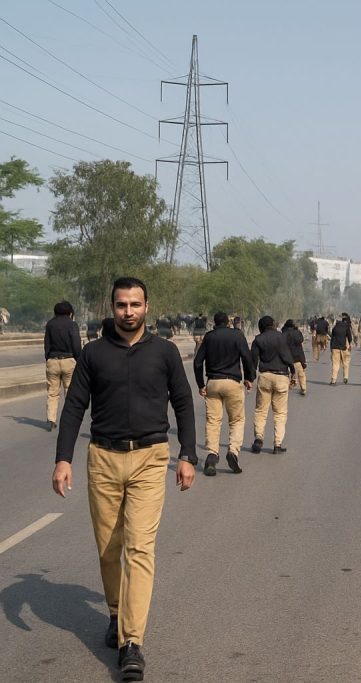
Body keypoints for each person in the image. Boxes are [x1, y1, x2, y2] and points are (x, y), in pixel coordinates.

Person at [51, 276, 197, 682]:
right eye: (121, 305)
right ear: (112, 308)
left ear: (147, 307)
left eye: (135, 305)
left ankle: (132, 641)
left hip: (151, 458)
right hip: (103, 459)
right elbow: (75, 407)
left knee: (139, 547)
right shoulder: (94, 354)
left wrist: (187, 454)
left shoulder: (165, 352)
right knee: (109, 547)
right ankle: (116, 614)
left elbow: (183, 403)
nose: (128, 312)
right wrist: (63, 459)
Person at [194, 311, 255, 476]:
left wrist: (200, 384)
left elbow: (198, 362)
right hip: (232, 382)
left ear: (214, 322)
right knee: (236, 420)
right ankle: (233, 451)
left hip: (213, 382)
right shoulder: (237, 335)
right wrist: (249, 378)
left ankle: (212, 455)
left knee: (213, 421)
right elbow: (247, 358)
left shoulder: (209, 337)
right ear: (228, 322)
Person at [250, 316, 295, 454]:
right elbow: (287, 356)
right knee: (280, 413)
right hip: (281, 376)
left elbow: (253, 361)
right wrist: (293, 371)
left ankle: (258, 437)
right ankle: (277, 444)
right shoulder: (281, 337)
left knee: (261, 411)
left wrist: (250, 378)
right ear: (273, 325)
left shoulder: (258, 339)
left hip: (265, 376)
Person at [44, 300, 81, 432]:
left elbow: (46, 344)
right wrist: (80, 360)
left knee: (52, 392)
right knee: (69, 392)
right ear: (70, 313)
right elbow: (76, 345)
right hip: (68, 360)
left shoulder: (50, 324)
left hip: (53, 361)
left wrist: (48, 359)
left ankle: (51, 419)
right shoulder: (72, 324)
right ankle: (69, 420)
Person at [282, 319, 308, 395]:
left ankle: (287, 386)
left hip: (287, 358)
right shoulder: (297, 333)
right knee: (301, 374)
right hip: (298, 357)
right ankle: (303, 388)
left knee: (287, 374)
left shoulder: (284, 334)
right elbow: (301, 340)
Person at [329, 313, 355, 385]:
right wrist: (350, 344)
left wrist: (331, 348)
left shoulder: (335, 327)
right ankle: (345, 377)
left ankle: (333, 379)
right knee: (346, 363)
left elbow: (332, 337)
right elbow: (349, 337)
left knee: (335, 364)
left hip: (335, 347)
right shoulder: (347, 327)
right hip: (343, 347)